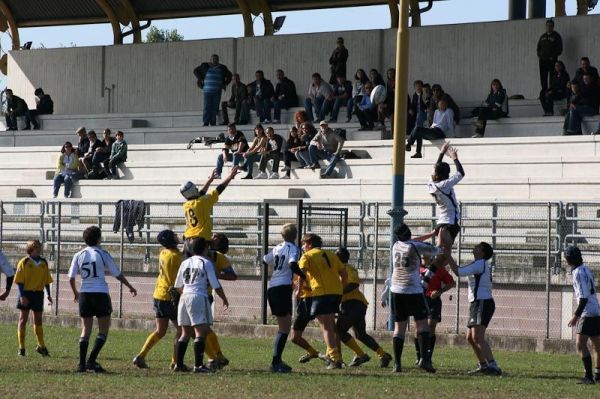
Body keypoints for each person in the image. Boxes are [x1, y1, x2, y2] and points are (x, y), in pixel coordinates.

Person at [69, 226, 137, 372]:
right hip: (100, 293)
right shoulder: (103, 254)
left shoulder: (78, 255)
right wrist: (129, 286)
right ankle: (91, 361)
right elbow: (116, 273)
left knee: (85, 329)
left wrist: (75, 292)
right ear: (99, 239)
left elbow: (71, 277)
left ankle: (81, 364)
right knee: (103, 330)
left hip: (85, 294)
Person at [173, 237, 229, 373]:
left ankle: (178, 364)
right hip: (198, 296)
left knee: (185, 333)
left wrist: (186, 293)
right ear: (205, 248)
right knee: (200, 332)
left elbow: (177, 285)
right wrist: (224, 298)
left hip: (184, 296)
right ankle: (198, 366)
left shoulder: (185, 262)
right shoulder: (206, 263)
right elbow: (215, 284)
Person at [389, 224, 440, 373]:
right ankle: (424, 359)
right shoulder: (415, 247)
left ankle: (397, 364)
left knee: (399, 328)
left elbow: (412, 240)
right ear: (409, 233)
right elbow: (437, 250)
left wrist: (430, 234)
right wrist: (440, 240)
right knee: (422, 325)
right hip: (413, 290)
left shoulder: (396, 245)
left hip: (396, 289)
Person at [447, 242, 501, 376]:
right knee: (470, 337)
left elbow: (458, 272)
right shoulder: (479, 263)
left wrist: (447, 256)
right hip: (477, 303)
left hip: (482, 302)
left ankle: (493, 366)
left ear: (482, 252)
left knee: (477, 337)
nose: (474, 248)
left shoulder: (479, 263)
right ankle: (483, 365)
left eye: (478, 247)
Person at [335, 247, 393, 368]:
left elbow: (354, 283)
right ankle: (383, 355)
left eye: (336, 255)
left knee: (339, 331)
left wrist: (338, 294)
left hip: (353, 303)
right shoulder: (339, 270)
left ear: (340, 257)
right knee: (361, 335)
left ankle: (360, 354)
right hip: (357, 304)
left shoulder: (348, 269)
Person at [133, 230, 183, 369]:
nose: (177, 237)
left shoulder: (163, 252)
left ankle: (141, 355)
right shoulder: (176, 256)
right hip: (170, 296)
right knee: (181, 330)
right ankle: (175, 361)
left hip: (159, 295)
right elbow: (183, 258)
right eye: (174, 236)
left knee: (160, 331)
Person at [298, 233, 347, 369]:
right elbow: (344, 273)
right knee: (330, 326)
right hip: (336, 292)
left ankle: (335, 359)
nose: (302, 247)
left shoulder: (307, 256)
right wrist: (341, 288)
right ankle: (333, 356)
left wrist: (298, 290)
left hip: (321, 292)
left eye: (304, 244)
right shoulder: (331, 254)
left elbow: (301, 273)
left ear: (310, 244)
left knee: (326, 328)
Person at [420, 143, 465, 287]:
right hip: (449, 222)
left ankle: (426, 277)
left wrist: (441, 153)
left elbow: (435, 170)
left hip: (442, 221)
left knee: (443, 258)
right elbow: (461, 173)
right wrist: (454, 158)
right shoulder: (445, 184)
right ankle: (425, 277)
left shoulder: (430, 184)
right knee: (443, 255)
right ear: (446, 175)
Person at [264, 223, 303, 373]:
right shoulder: (293, 248)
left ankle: (277, 361)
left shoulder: (277, 247)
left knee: (284, 326)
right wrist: (304, 276)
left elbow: (265, 260)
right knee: (285, 328)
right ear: (295, 235)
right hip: (282, 288)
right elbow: (293, 264)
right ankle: (276, 362)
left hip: (273, 287)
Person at [180, 166, 239, 253]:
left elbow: (200, 193)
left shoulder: (186, 205)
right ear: (192, 191)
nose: (197, 189)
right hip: (199, 241)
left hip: (187, 240)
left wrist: (210, 180)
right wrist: (229, 177)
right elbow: (218, 190)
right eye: (195, 188)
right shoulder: (201, 202)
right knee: (206, 264)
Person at [564, 246, 600, 384]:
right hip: (596, 309)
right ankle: (598, 374)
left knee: (580, 345)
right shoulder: (586, 269)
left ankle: (589, 377)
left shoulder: (577, 273)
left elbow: (584, 297)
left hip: (587, 312)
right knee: (597, 344)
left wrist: (576, 316)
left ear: (569, 259)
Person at [203, 233, 237, 370]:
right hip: (192, 295)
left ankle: (215, 357)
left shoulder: (218, 257)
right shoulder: (197, 252)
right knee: (197, 330)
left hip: (204, 295)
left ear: (219, 243)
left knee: (200, 329)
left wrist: (218, 275)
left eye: (215, 236)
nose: (211, 236)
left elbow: (233, 275)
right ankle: (217, 357)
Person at [14, 239, 52, 357]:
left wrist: (48, 295)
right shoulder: (24, 262)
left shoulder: (43, 262)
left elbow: (46, 281)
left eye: (39, 246)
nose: (38, 249)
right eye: (36, 247)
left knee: (38, 320)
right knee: (23, 320)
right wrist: (22, 296)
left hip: (38, 294)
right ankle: (22, 348)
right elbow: (19, 281)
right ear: (30, 248)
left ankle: (41, 346)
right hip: (26, 293)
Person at [414, 258, 455, 365]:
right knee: (418, 329)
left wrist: (440, 291)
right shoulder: (416, 268)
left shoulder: (438, 269)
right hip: (419, 300)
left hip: (433, 301)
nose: (423, 256)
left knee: (430, 327)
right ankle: (419, 357)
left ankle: (427, 357)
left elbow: (451, 283)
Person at [194, 54, 233, 126]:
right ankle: (206, 122)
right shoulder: (205, 66)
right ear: (210, 60)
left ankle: (213, 122)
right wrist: (200, 78)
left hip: (217, 91)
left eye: (216, 59)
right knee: (207, 106)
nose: (215, 60)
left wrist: (225, 84)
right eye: (213, 59)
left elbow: (230, 75)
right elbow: (195, 71)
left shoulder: (222, 67)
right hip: (207, 91)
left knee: (215, 107)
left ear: (218, 60)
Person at [537, 19, 562, 94]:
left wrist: (553, 56)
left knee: (552, 76)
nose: (549, 27)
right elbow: (538, 47)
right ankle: (544, 91)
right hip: (543, 60)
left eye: (550, 26)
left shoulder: (556, 36)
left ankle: (551, 91)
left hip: (552, 60)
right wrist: (539, 55)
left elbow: (559, 49)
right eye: (547, 25)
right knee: (543, 77)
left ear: (553, 26)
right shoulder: (542, 36)